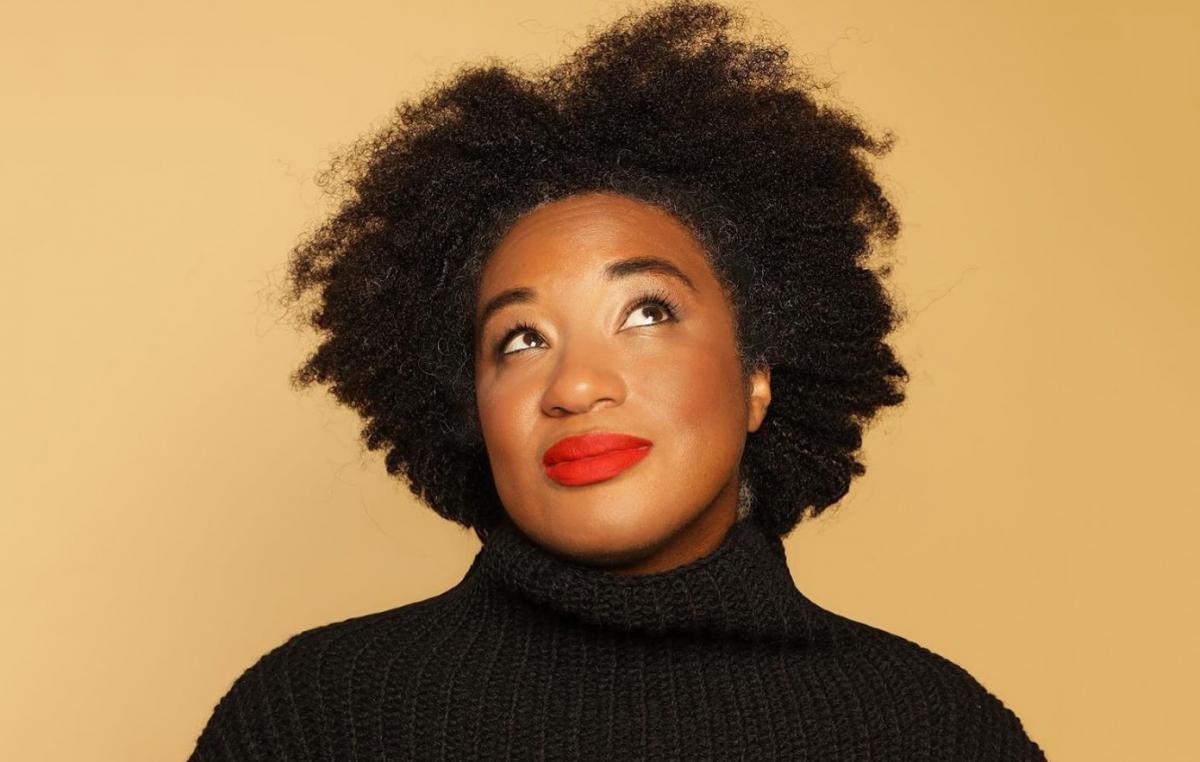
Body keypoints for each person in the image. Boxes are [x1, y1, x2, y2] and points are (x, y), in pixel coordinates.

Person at [188, 1, 1047, 759]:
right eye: (520, 339)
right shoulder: (317, 716)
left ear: (757, 376)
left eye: (646, 314)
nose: (576, 385)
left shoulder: (934, 730)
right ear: (467, 402)